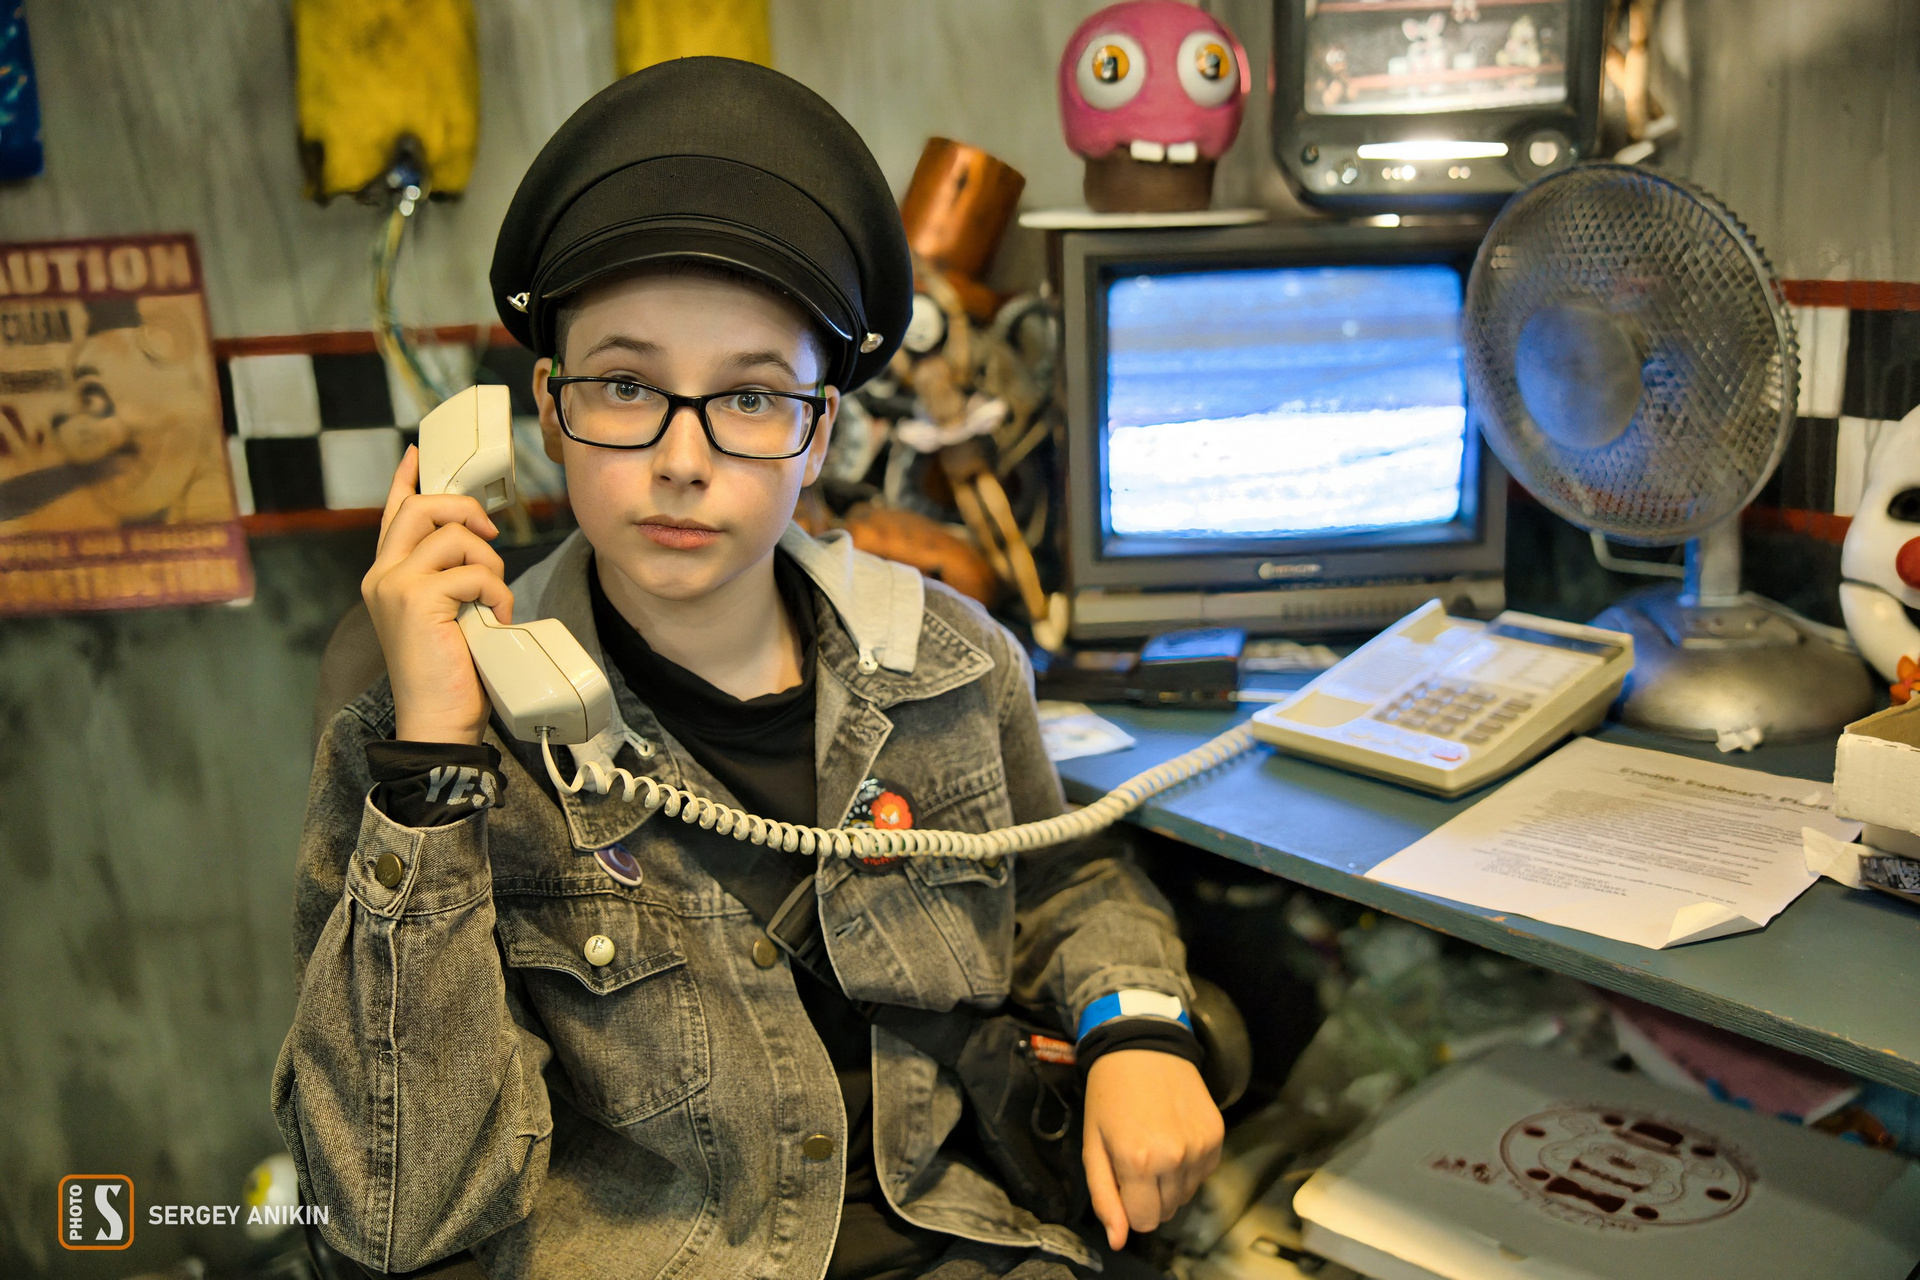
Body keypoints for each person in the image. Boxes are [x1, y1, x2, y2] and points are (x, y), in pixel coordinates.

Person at [275, 58, 1222, 1280]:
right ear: (548, 410)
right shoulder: (424, 739)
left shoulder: (951, 665)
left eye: (753, 397)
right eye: (627, 385)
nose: (683, 459)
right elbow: (394, 1207)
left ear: (819, 432)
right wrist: (437, 767)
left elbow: (1062, 880)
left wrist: (1138, 1025)